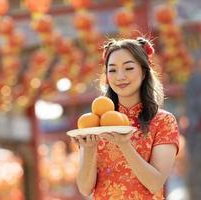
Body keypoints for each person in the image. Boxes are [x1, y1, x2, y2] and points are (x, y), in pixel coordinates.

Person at [71, 37, 179, 200]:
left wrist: (124, 145)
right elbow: (85, 189)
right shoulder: (96, 123)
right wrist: (89, 149)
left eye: (128, 68)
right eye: (112, 70)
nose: (120, 76)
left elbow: (155, 183)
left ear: (144, 72)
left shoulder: (163, 122)